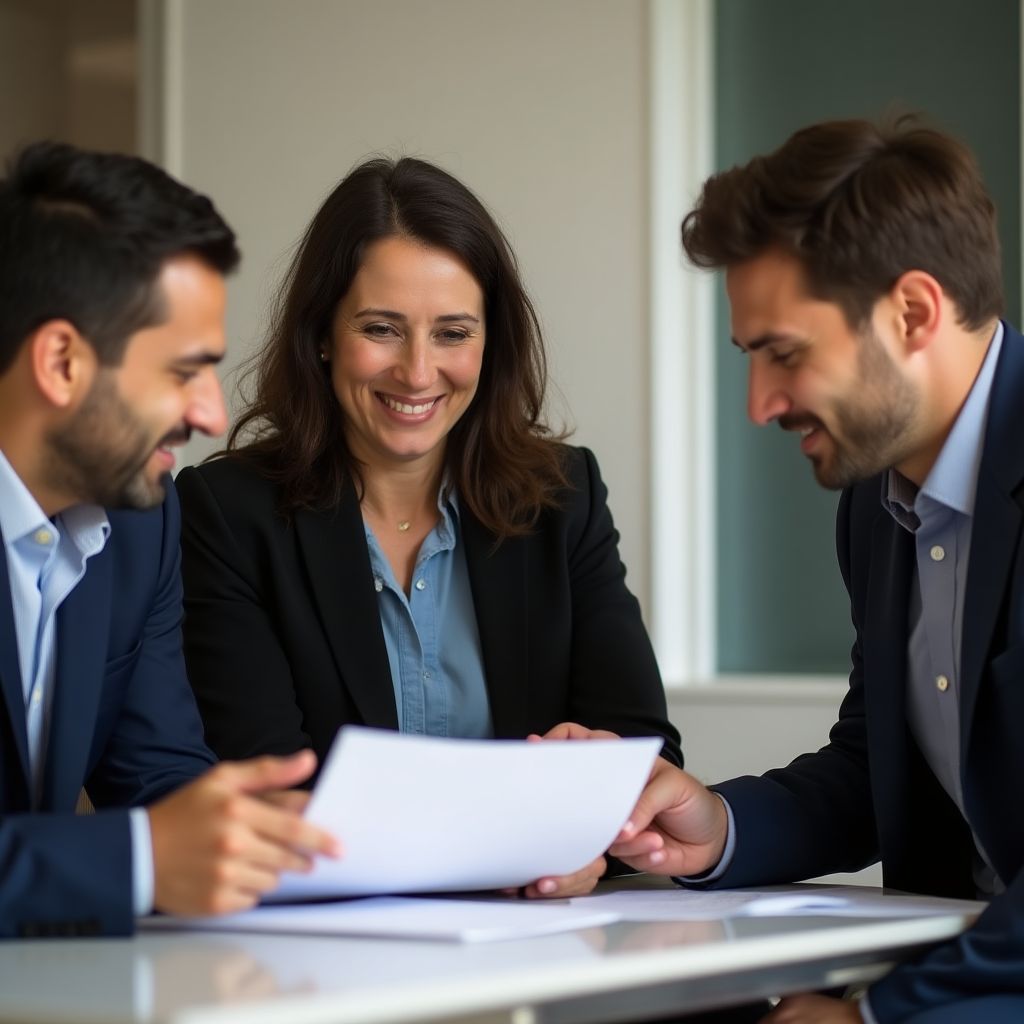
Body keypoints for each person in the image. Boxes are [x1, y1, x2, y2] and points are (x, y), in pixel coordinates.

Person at [573, 116, 1024, 1022]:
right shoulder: (878, 498)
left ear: (913, 313)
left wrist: (872, 1018)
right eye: (751, 358)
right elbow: (878, 763)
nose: (760, 404)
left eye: (785, 353)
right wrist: (719, 827)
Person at [175, 156, 681, 899]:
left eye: (452, 333)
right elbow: (262, 789)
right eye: (381, 329)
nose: (417, 372)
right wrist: (530, 832)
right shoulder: (227, 513)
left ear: (489, 343)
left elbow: (645, 758)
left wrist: (600, 825)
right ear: (321, 334)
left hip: (545, 939)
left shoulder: (562, 497)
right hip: (327, 954)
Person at [0, 141, 339, 938]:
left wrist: (283, 846)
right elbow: (152, 843)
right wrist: (142, 860)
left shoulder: (142, 525)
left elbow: (162, 784)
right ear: (61, 362)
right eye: (184, 371)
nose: (212, 415)